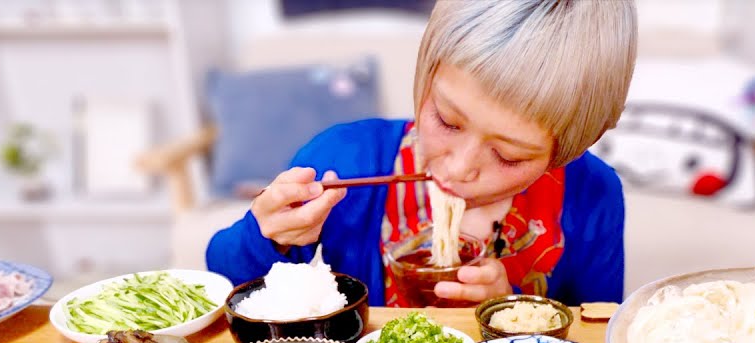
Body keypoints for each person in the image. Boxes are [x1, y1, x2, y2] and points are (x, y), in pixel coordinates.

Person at [206, 0, 637, 307]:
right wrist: (267, 232)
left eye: (507, 156)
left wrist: (510, 311)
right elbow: (226, 280)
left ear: (569, 148)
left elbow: (597, 334)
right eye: (448, 121)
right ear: (425, 77)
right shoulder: (344, 158)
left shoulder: (592, 194)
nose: (459, 167)